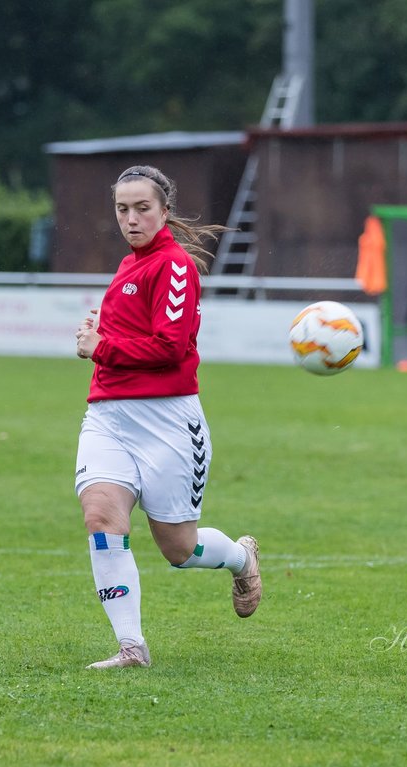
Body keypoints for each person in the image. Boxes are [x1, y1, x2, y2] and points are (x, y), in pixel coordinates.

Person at [74, 164, 261, 670]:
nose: (130, 218)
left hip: (167, 422)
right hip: (108, 417)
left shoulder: (174, 265)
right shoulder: (126, 266)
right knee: (101, 519)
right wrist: (99, 334)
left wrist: (102, 346)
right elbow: (124, 337)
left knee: (178, 549)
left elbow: (170, 346)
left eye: (142, 208)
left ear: (164, 211)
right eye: (122, 209)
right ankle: (132, 647)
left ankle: (242, 557)